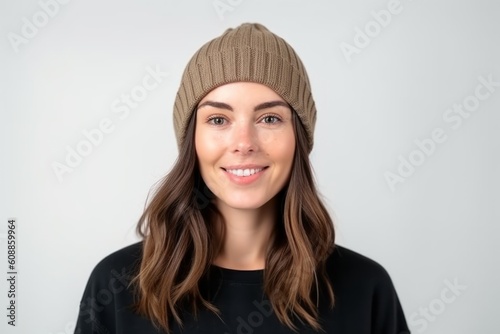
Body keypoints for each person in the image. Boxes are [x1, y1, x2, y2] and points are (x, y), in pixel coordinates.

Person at [74, 23, 410, 334]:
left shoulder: (366, 288)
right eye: (219, 119)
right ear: (193, 138)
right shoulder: (117, 287)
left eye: (269, 118)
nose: (244, 143)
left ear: (299, 138)